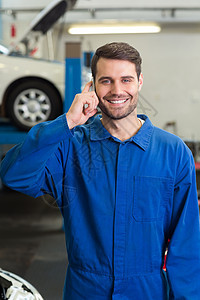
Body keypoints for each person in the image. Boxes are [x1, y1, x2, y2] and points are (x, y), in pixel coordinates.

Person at [0, 42, 200, 300]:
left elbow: (186, 243)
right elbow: (14, 175)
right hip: (85, 290)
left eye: (126, 79)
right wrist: (67, 122)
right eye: (106, 81)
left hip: (147, 290)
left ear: (139, 81)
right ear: (92, 86)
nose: (117, 90)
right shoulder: (69, 147)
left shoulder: (173, 153)